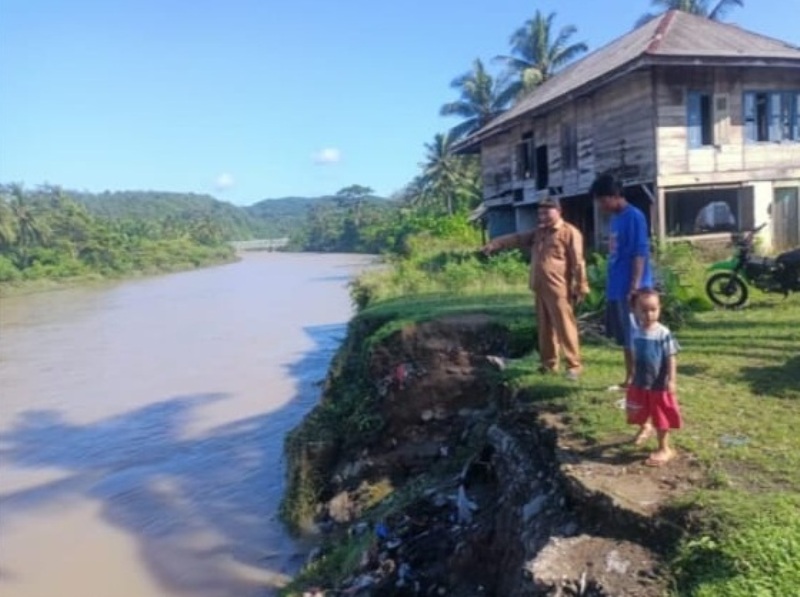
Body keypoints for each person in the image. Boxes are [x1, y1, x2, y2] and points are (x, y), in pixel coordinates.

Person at [482, 198, 589, 380]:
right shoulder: (540, 232)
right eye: (540, 213)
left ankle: (574, 366)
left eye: (547, 212)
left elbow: (578, 262)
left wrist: (581, 286)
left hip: (559, 289)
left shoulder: (569, 232)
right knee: (545, 329)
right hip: (540, 288)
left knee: (565, 327)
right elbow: (517, 238)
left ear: (558, 211)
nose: (542, 216)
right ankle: (549, 364)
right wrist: (495, 243)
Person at [590, 172, 653, 390]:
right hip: (617, 285)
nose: (600, 206)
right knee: (626, 335)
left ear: (613, 196)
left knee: (635, 333)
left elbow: (639, 253)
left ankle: (640, 378)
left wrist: (634, 286)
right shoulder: (616, 219)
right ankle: (631, 376)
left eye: (601, 200)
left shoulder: (634, 216)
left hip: (632, 286)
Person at [625, 288, 682, 466]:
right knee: (636, 409)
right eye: (644, 310)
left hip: (659, 384)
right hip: (641, 381)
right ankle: (644, 427)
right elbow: (634, 355)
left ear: (659, 308)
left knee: (660, 416)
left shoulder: (663, 333)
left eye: (653, 309)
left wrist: (671, 380)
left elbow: (671, 357)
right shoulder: (635, 332)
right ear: (634, 310)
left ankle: (664, 448)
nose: (649, 314)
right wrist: (631, 374)